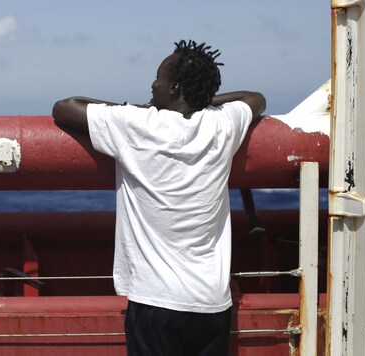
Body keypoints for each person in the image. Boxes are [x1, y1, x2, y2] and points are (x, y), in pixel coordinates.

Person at [52, 39, 266, 355]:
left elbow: (64, 107)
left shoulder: (136, 124)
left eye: (159, 78)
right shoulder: (222, 123)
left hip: (156, 300)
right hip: (211, 301)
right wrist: (201, 101)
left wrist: (138, 108)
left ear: (174, 88)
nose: (154, 84)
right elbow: (255, 98)